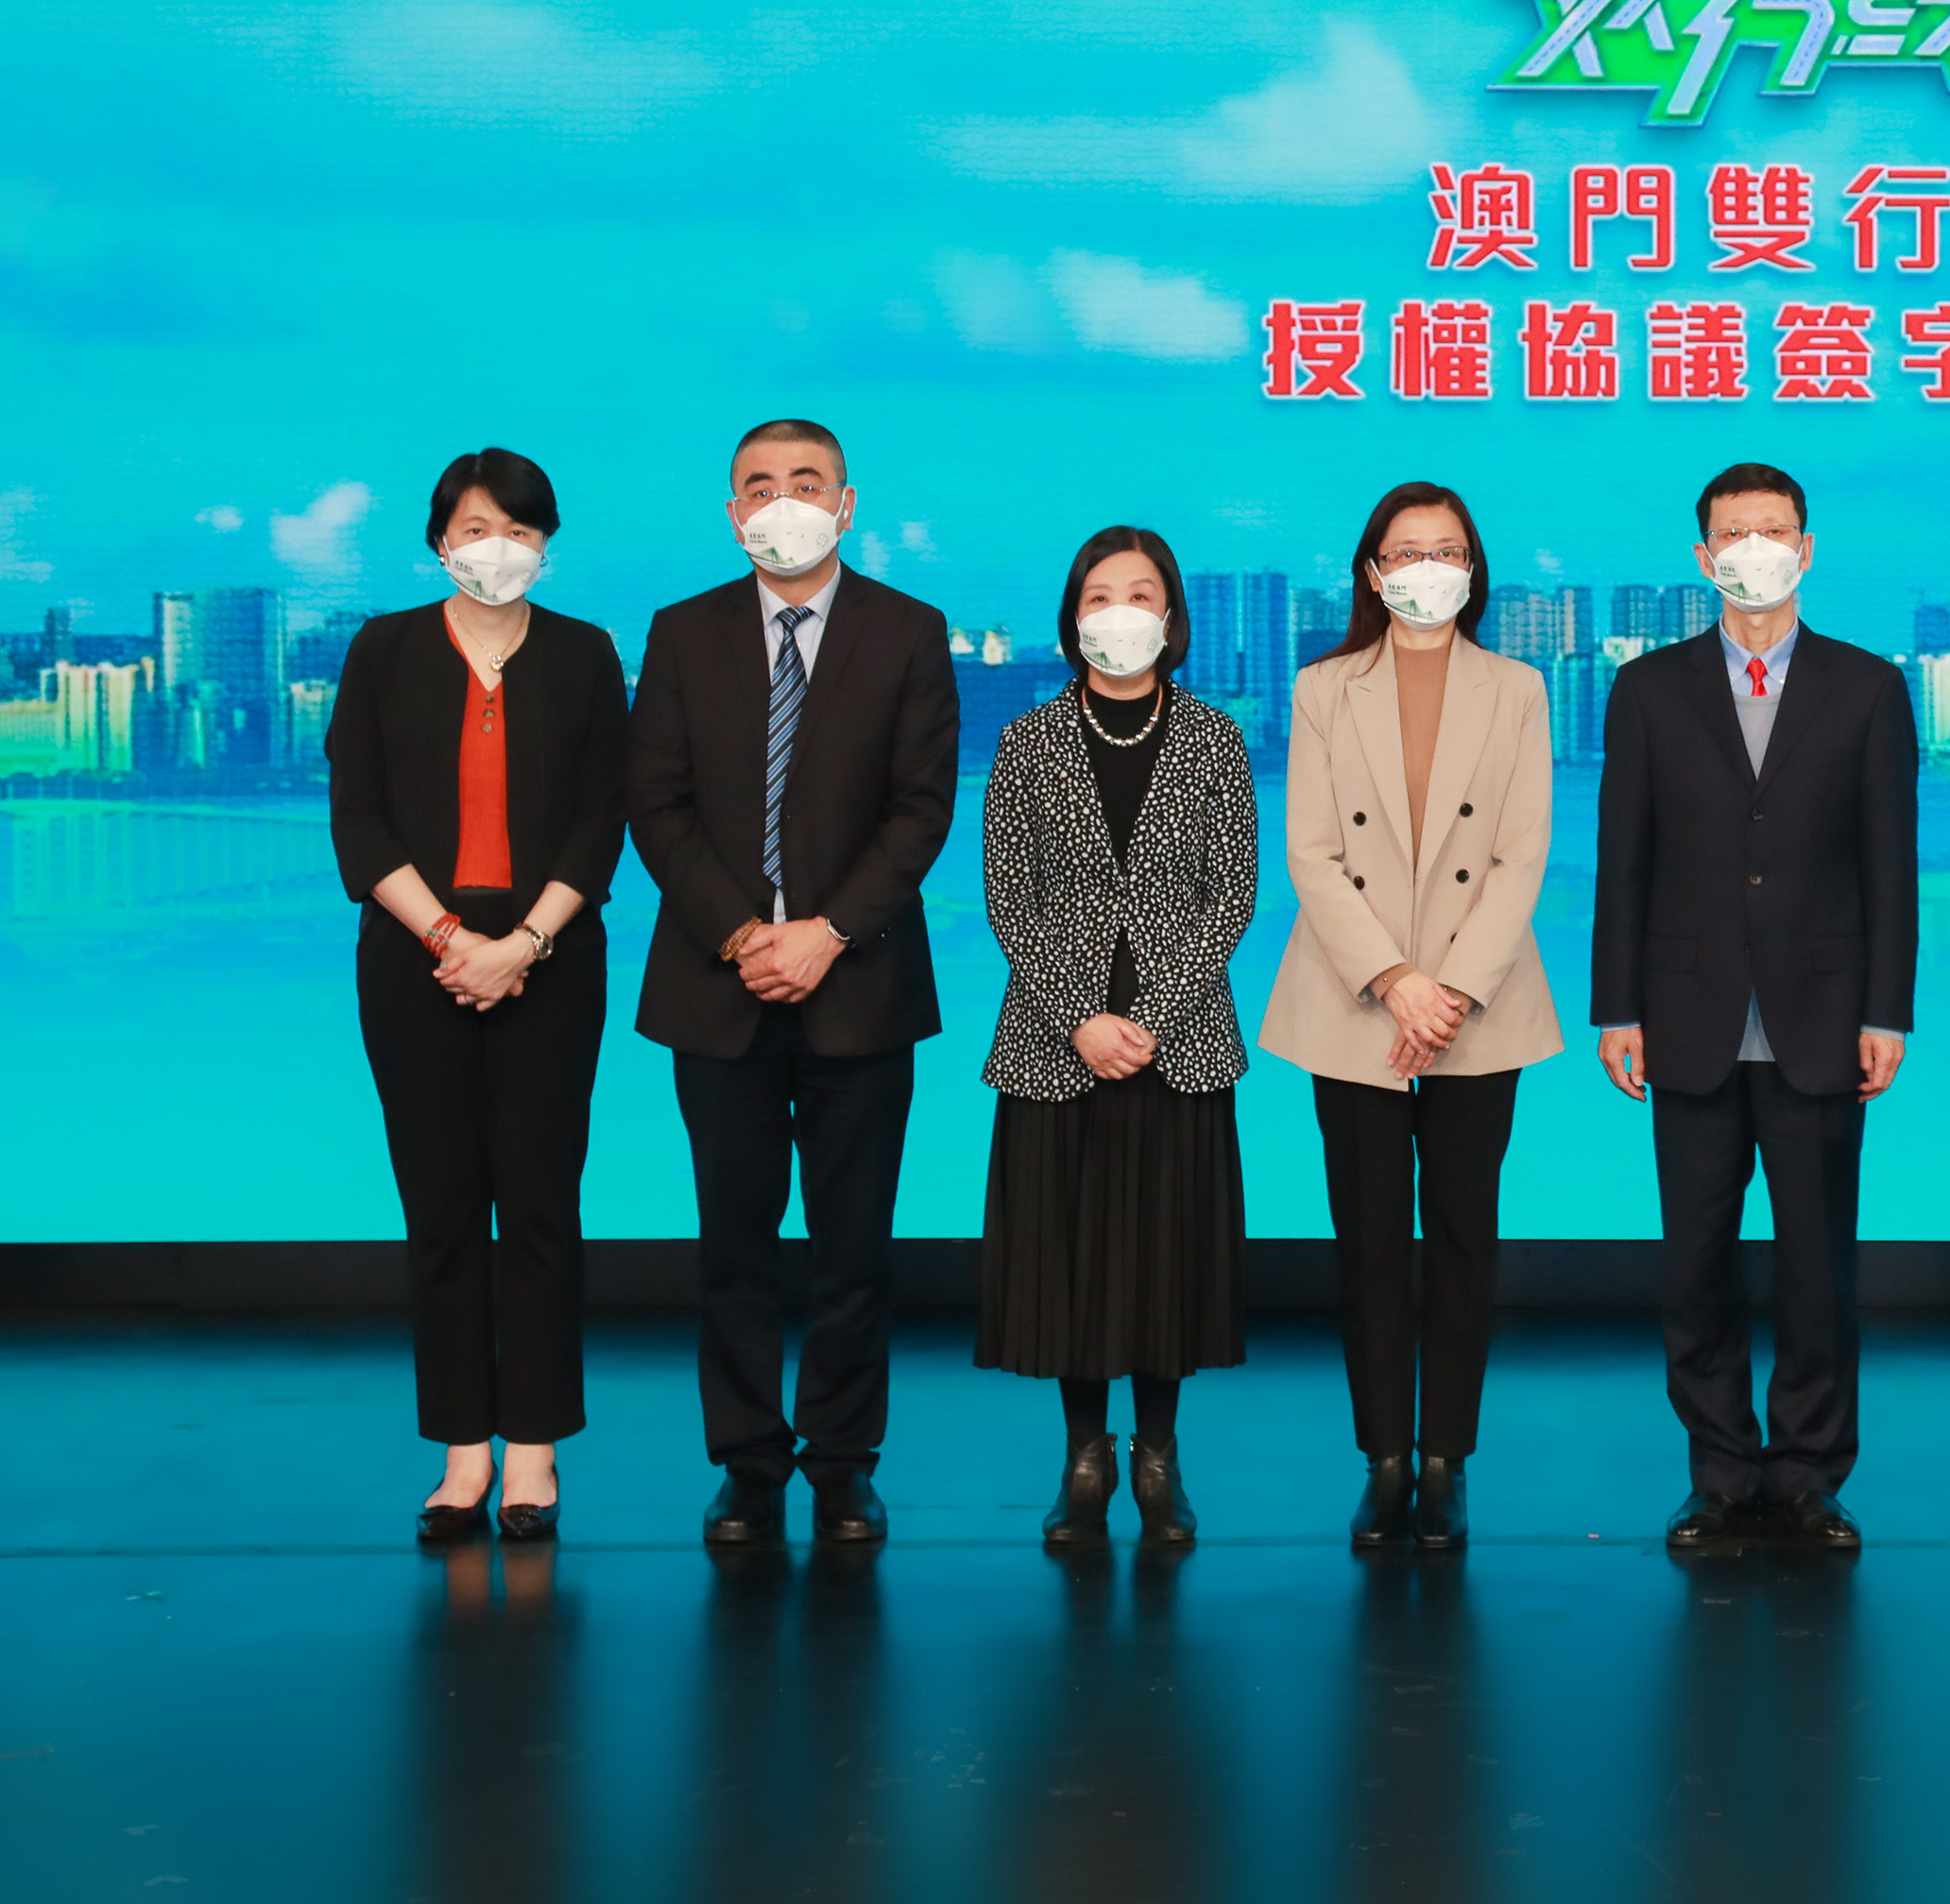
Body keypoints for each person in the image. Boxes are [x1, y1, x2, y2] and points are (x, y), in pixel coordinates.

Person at [627, 419, 958, 1546]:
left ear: (846, 503)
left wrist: (827, 932)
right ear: (733, 513)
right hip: (714, 987)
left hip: (859, 984)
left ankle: (844, 1460)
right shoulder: (682, 632)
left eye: (805, 483)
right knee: (734, 1244)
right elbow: (656, 804)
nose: (783, 502)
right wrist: (740, 934)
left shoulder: (909, 630)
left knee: (853, 1245)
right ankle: (747, 1460)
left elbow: (920, 808)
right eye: (759, 486)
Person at [1593, 461, 1918, 1552]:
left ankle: (1811, 1470)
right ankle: (1722, 1470)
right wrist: (1616, 1007)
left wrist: (1886, 1009)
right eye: (1733, 532)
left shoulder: (1867, 686)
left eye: (1773, 530)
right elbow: (1623, 861)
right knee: (1694, 1261)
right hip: (1685, 1016)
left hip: (1822, 1016)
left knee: (1817, 1265)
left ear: (1806, 547)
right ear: (1702, 555)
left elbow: (1890, 867)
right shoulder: (1648, 687)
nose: (1754, 549)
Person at [326, 448, 629, 1544]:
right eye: (473, 527)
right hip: (416, 960)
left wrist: (525, 943)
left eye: (517, 528)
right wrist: (454, 939)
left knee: (542, 1205)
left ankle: (534, 1450)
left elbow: (602, 817)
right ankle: (462, 1451)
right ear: (437, 541)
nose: (495, 546)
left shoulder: (586, 653)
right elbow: (359, 817)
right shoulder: (384, 647)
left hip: (552, 959)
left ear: (546, 542)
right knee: (442, 1208)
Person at [1257, 483, 1562, 1552]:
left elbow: (1522, 852)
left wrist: (1451, 988)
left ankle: (1447, 1461)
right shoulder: (1322, 687)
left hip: (1479, 1002)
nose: (1427, 567)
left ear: (1472, 569)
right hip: (1358, 1002)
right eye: (1406, 550)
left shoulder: (1518, 687)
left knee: (1465, 1242)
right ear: (1372, 570)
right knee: (1372, 1242)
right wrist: (1395, 979)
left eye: (1447, 549)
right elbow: (1310, 852)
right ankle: (1385, 1458)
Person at [978, 526, 1259, 1548]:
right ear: (1072, 617)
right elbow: (1009, 897)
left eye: (1141, 593)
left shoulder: (1215, 738)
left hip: (1178, 1044)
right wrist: (1082, 1019)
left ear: (1171, 616)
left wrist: (1150, 1018)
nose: (1121, 612)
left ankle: (1160, 1456)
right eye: (1100, 595)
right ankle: (1084, 1457)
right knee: (1073, 1260)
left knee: (1166, 1260)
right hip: (1057, 1044)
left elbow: (1231, 896)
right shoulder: (1027, 740)